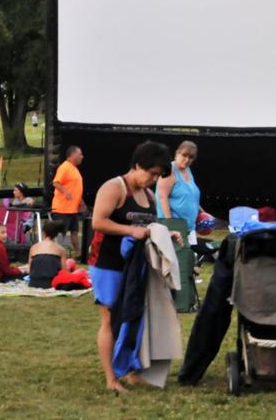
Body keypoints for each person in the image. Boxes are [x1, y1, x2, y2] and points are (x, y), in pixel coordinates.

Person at [88, 141, 172, 392]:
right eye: (152, 173)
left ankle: (133, 370)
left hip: (136, 266)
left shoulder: (148, 195)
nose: (154, 179)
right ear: (137, 165)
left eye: (158, 175)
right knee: (110, 319)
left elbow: (150, 228)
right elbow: (98, 222)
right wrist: (130, 230)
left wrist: (168, 236)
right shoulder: (114, 188)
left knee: (136, 315)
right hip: (108, 264)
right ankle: (111, 378)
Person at [156, 140, 201, 244]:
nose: (187, 159)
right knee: (178, 259)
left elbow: (191, 196)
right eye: (184, 155)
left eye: (191, 157)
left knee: (189, 259)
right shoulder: (170, 170)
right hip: (175, 226)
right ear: (177, 153)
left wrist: (202, 212)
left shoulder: (187, 170)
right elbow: (162, 197)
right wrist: (170, 224)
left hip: (189, 227)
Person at [51, 146, 86, 257]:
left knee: (75, 232)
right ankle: (54, 254)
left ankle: (79, 254)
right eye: (80, 154)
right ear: (72, 155)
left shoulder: (74, 169)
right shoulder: (64, 167)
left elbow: (75, 188)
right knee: (60, 233)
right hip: (62, 208)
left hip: (73, 209)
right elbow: (56, 182)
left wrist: (82, 202)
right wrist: (65, 191)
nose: (82, 156)